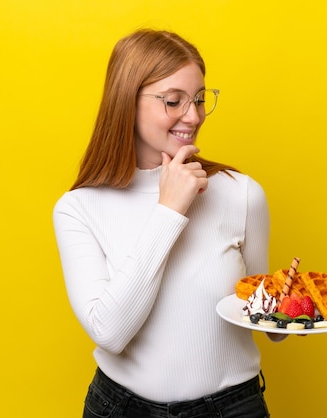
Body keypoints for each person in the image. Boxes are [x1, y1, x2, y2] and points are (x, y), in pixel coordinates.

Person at [53, 28, 282, 418]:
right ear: (126, 100)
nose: (192, 117)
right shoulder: (78, 208)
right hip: (122, 409)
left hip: (232, 409)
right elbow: (110, 333)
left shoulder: (240, 194)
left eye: (198, 99)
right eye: (173, 101)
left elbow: (263, 314)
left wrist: (295, 313)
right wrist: (169, 210)